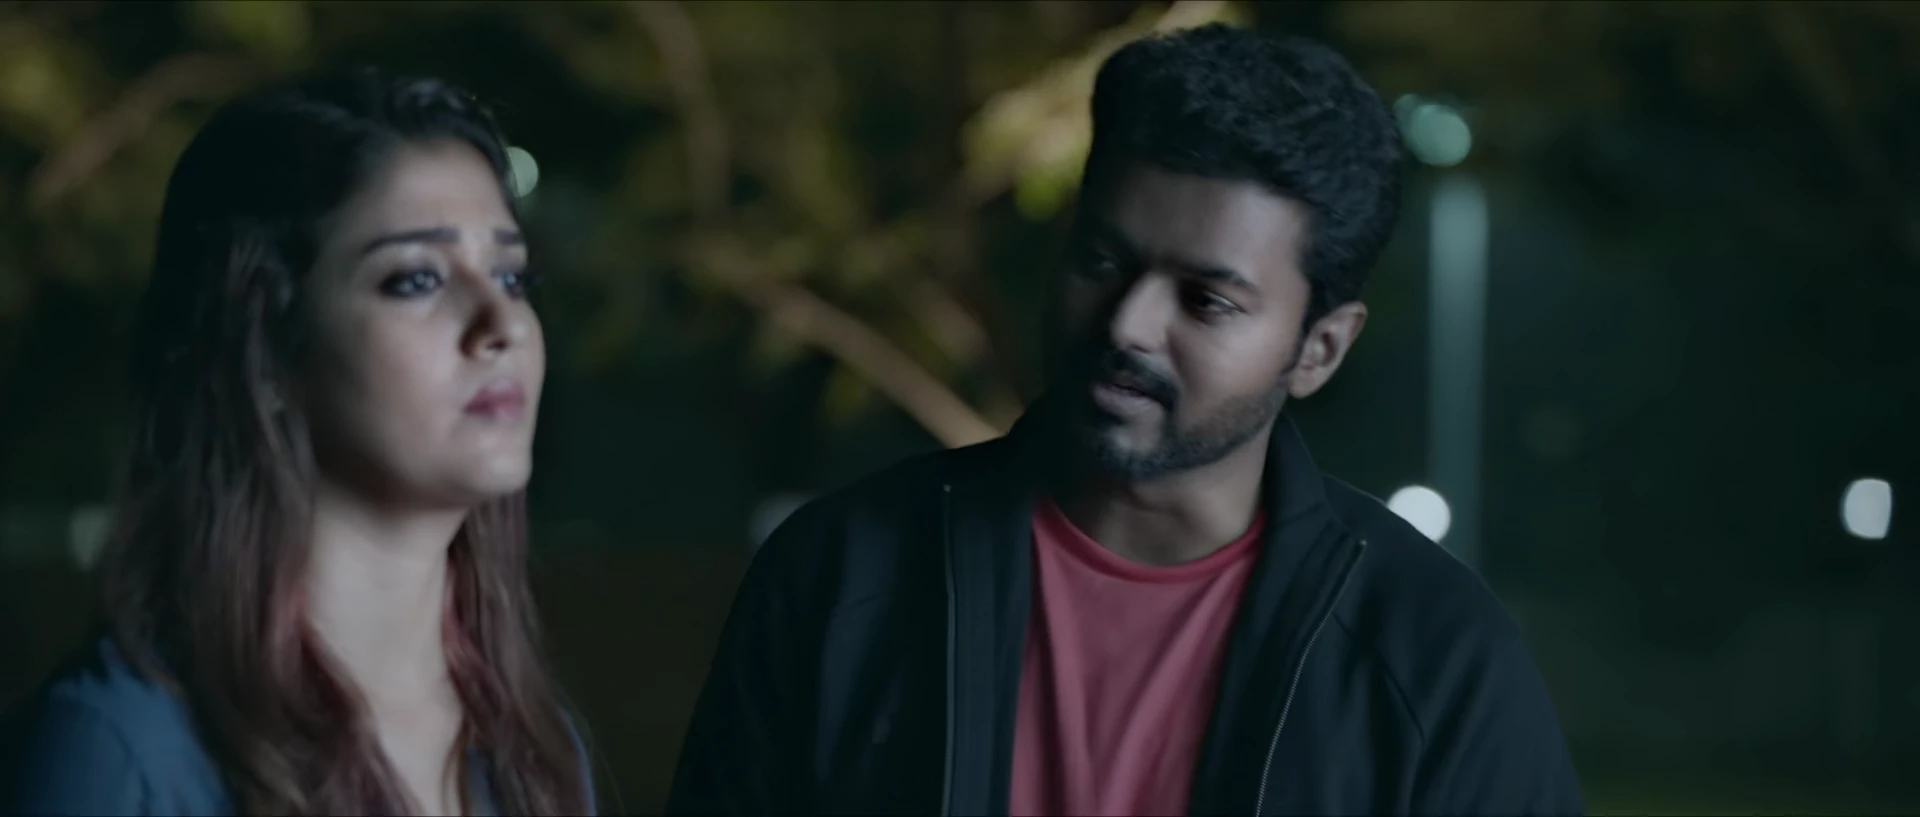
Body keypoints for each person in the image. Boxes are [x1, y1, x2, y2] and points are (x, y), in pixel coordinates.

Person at [668, 24, 1582, 817]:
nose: (1128, 324)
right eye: (1102, 260)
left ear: (1320, 349)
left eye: (1206, 299)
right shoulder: (843, 576)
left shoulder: (1434, 657)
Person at [0, 68, 595, 816]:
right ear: (268, 349)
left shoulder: (535, 754)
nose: (500, 324)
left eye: (512, 277)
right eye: (416, 280)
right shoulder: (123, 753)